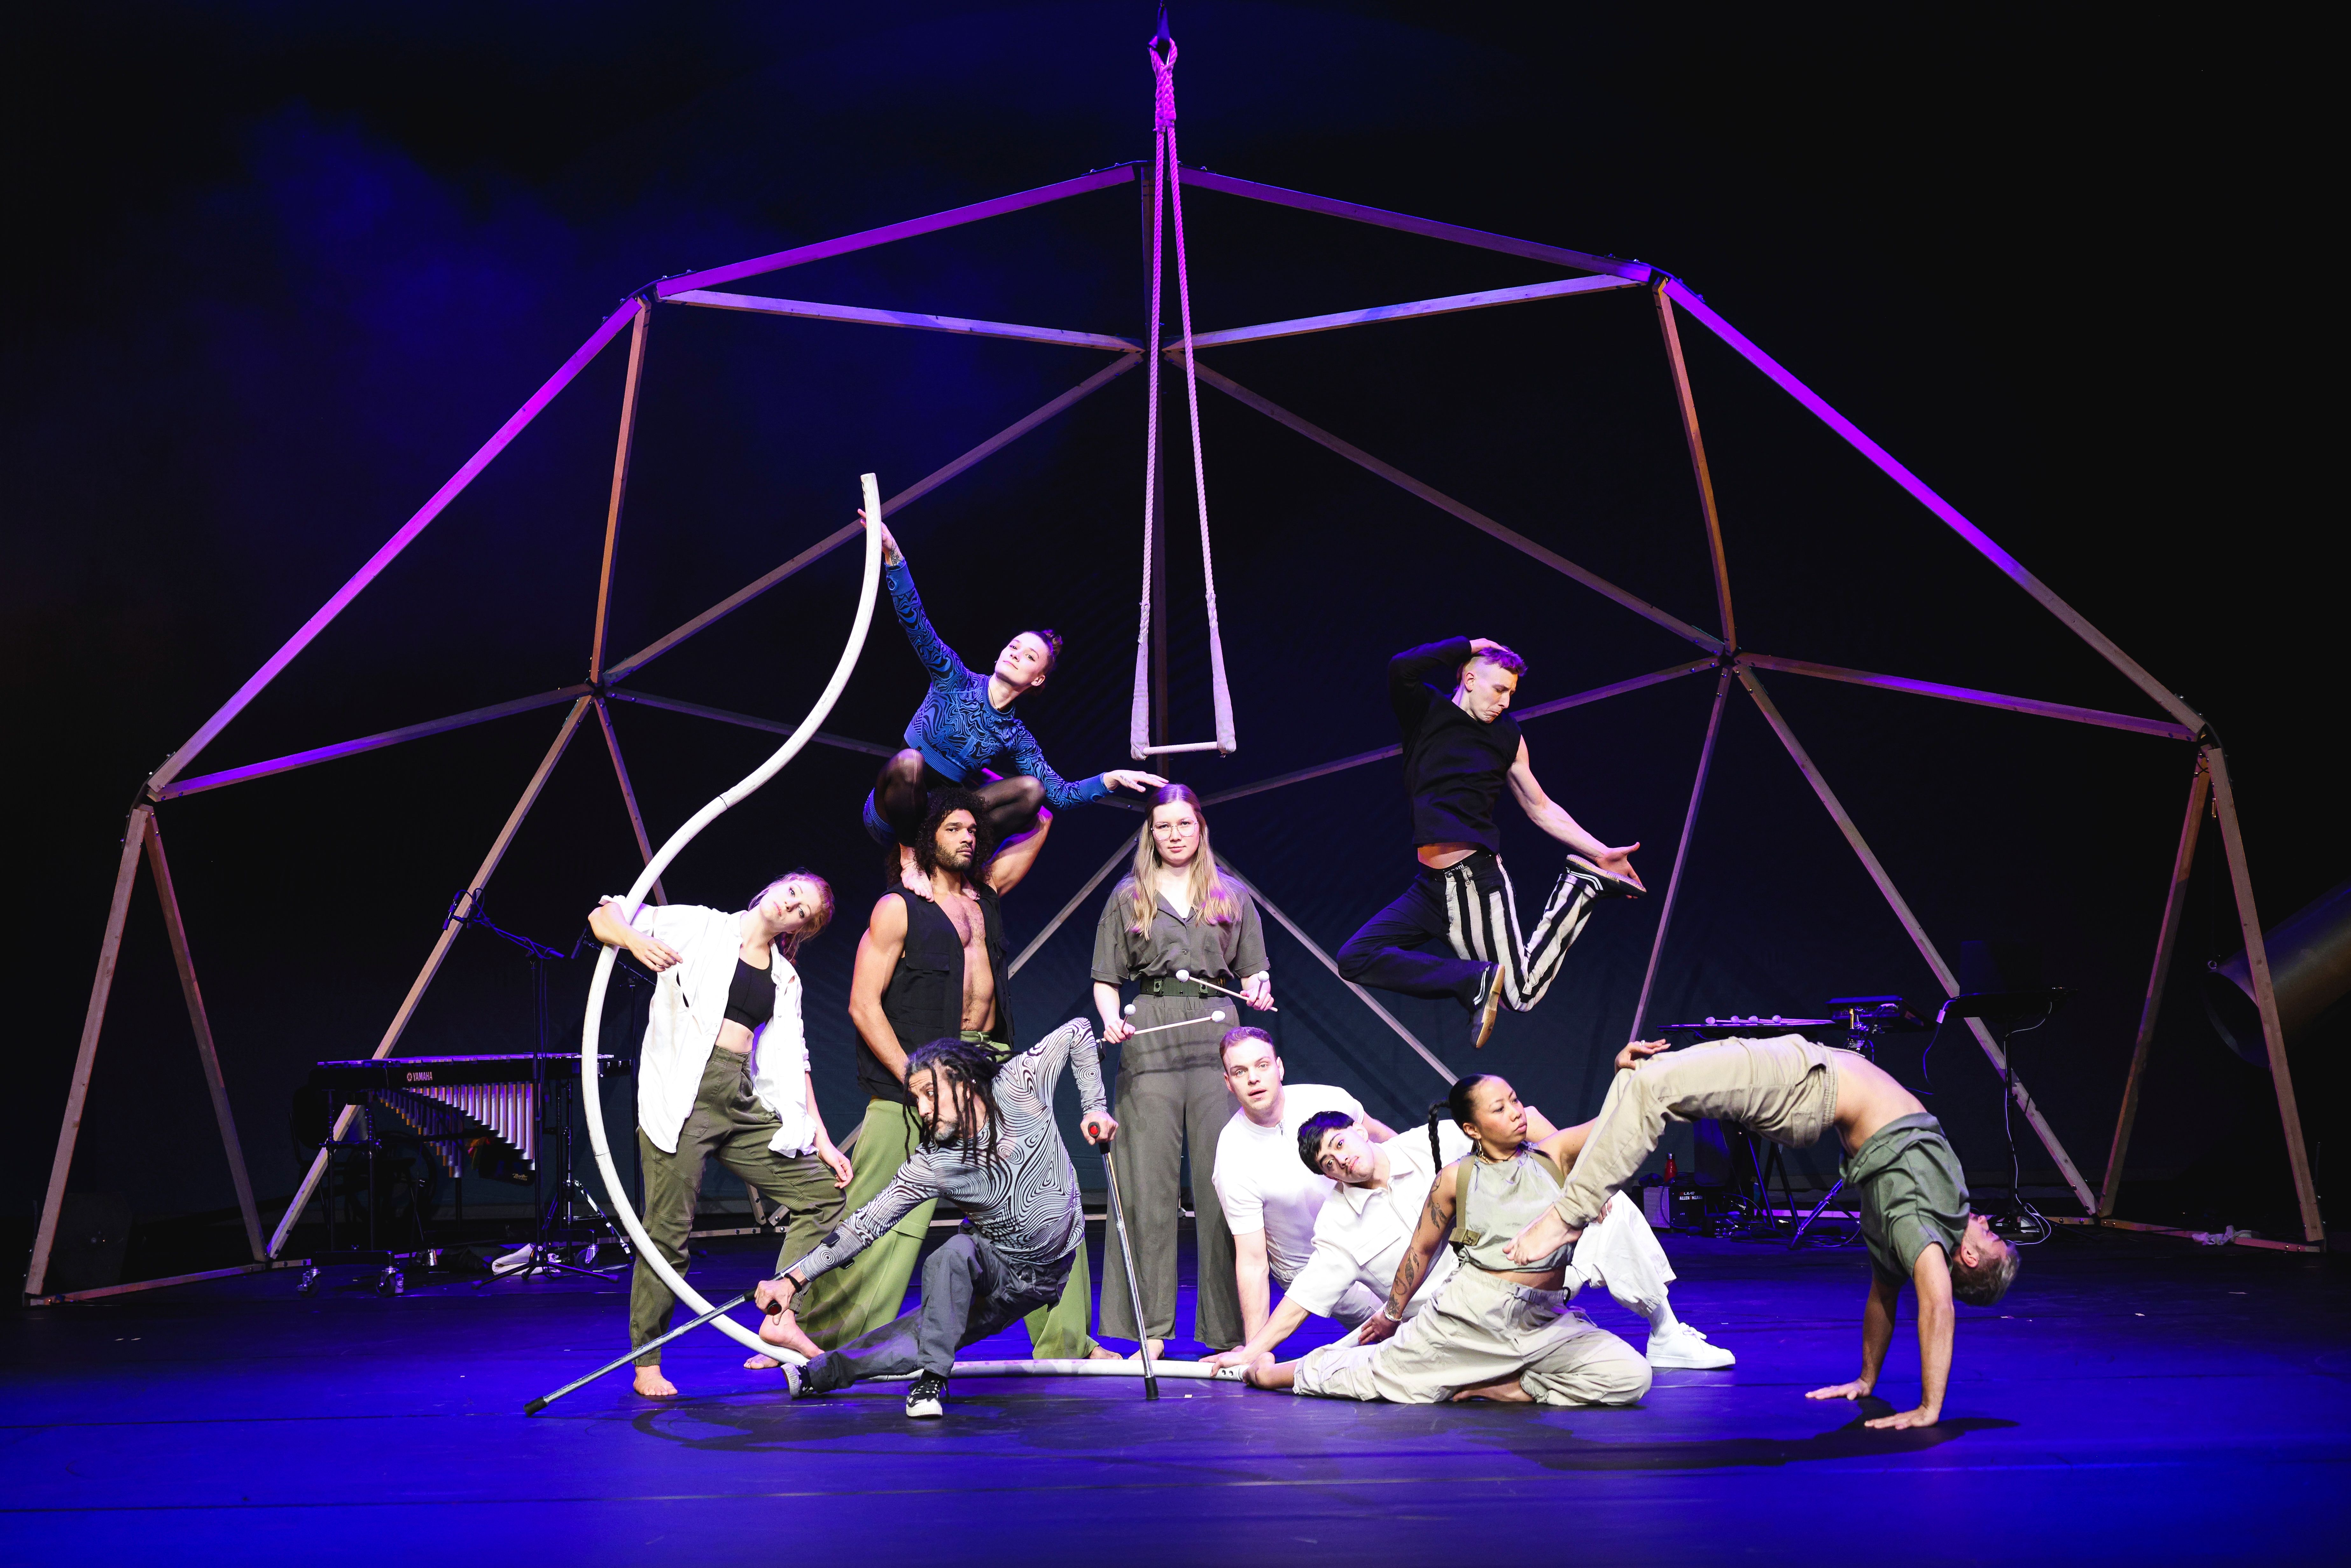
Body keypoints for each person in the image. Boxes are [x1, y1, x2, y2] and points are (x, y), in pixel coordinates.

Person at [1500, 1035, 2022, 1430]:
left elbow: (1937, 1302)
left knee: (1653, 1084)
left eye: (1993, 1238)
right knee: (1645, 1076)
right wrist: (1867, 1380)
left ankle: (1567, 1216)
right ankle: (1586, 1180)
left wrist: (1931, 1405)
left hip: (1808, 1082)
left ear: (1971, 1260)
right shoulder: (1933, 1221)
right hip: (1810, 1070)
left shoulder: (1921, 1230)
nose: (1988, 1223)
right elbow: (1883, 1296)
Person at [792, 790, 1110, 1363]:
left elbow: (1038, 806)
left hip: (987, 1069)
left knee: (1044, 1200)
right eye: (954, 827)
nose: (967, 836)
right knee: (882, 1213)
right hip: (913, 1076)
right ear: (924, 838)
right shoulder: (898, 906)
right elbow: (864, 1003)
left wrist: (1002, 779)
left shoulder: (984, 895)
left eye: (973, 827)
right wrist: (920, 1081)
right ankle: (820, 1337)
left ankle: (1067, 1343)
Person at [1203, 1099, 1732, 1373]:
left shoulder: (1436, 1140)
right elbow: (1301, 1299)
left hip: (1518, 1270)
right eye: (1329, 1162)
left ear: (1360, 1130)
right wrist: (1255, 1350)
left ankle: (1666, 1334)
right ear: (1329, 1175)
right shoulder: (1339, 1225)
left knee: (1608, 1205)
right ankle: (1552, 1341)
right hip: (1459, 1323)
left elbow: (1526, 1123)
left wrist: (1581, 1184)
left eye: (1341, 1142)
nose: (1341, 1158)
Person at [753, 1025, 1116, 1418]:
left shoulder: (1020, 1085)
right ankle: (917, 1379)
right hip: (993, 1263)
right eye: (916, 1099)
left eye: (930, 1093)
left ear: (965, 1083)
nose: (923, 1109)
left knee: (932, 1329)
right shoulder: (932, 1163)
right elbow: (864, 1226)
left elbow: (1078, 1032)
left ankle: (898, 1369)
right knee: (948, 1264)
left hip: (1044, 1273)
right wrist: (793, 1279)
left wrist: (1094, 1106)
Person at [585, 871, 853, 1399]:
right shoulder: (699, 924)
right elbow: (604, 914)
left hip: (738, 1097)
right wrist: (636, 940)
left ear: (804, 927)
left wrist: (821, 1136)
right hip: (682, 1096)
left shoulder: (784, 977)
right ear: (775, 885)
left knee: (823, 1197)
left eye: (805, 911)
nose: (792, 904)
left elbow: (795, 1058)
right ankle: (647, 1360)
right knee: (668, 1230)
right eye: (793, 891)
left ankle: (779, 1313)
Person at [1247, 1073, 1653, 1408]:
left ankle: (1500, 1386)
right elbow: (1418, 1251)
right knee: (1379, 1375)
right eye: (1500, 1109)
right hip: (1463, 1317)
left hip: (1540, 1317)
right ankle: (1275, 1374)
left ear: (1357, 1131)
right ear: (1472, 1130)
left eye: (1514, 1101)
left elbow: (1617, 1125)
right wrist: (1391, 1314)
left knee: (1631, 1377)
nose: (1515, 1113)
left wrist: (1622, 1078)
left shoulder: (1551, 1156)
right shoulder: (1455, 1175)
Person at [1336, 636, 1645, 1049]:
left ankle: (1582, 886)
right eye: (1498, 689)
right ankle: (1473, 979)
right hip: (1429, 888)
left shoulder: (1507, 736)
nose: (1504, 701)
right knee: (1354, 957)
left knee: (1521, 995)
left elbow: (1540, 806)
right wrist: (1469, 643)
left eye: (1511, 694)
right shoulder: (1426, 711)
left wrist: (1601, 852)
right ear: (1468, 678)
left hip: (1472, 880)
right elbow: (1400, 667)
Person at [860, 516, 1162, 884]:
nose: (1017, 653)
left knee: (1031, 791)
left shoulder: (1015, 735)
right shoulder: (954, 677)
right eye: (1015, 646)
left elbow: (1060, 795)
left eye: (1030, 656)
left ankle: (957, 862)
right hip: (894, 812)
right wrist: (894, 558)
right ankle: (910, 858)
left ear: (1037, 679)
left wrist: (1109, 780)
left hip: (942, 818)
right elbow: (917, 624)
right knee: (909, 762)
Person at [1091, 784, 1274, 1357]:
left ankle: (1229, 1331)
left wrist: (1258, 988)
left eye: (1184, 824)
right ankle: (1148, 1331)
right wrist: (1110, 1020)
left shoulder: (1233, 895)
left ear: (1200, 828)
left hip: (1218, 1034)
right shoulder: (1128, 897)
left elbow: (1256, 973)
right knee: (1147, 1185)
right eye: (1163, 826)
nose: (1174, 834)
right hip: (1148, 1034)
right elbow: (1105, 977)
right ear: (1152, 833)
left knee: (1225, 1185)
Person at [1209, 1028, 1397, 1353]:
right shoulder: (1232, 1154)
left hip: (1368, 1233)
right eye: (1240, 1072)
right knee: (1400, 1328)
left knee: (1434, 1303)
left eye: (1262, 1066)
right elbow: (1253, 1262)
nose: (1253, 1078)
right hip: (1313, 1266)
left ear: (1279, 1068)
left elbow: (1386, 1142)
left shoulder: (1328, 1099)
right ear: (1229, 1082)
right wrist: (1256, 1350)